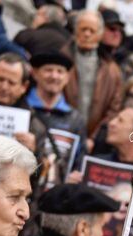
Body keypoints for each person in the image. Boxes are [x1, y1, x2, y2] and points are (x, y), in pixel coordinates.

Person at [27, 51, 86, 184]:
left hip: (56, 196)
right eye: (48, 70)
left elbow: (79, 161)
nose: (54, 76)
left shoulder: (76, 119)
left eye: (60, 71)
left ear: (67, 77)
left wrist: (74, 176)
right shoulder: (22, 109)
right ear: (35, 73)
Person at [63, 10, 123, 137]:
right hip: (61, 130)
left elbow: (113, 109)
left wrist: (94, 138)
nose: (87, 34)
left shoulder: (112, 71)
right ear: (75, 31)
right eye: (83, 29)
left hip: (91, 138)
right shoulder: (60, 59)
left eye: (92, 30)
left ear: (100, 34)